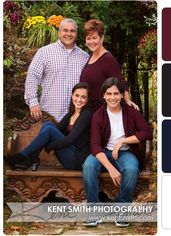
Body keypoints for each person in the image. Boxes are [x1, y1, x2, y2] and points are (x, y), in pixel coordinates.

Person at [82, 77, 152, 227]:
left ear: (122, 95)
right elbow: (95, 145)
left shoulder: (131, 112)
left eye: (116, 94)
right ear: (104, 96)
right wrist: (111, 168)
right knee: (88, 166)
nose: (112, 97)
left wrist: (122, 141)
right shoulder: (98, 115)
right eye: (109, 94)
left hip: (125, 153)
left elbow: (146, 132)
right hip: (103, 152)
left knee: (131, 169)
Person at [5, 82, 92, 171]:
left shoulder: (86, 115)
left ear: (87, 99)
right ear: (72, 95)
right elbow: (55, 131)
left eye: (83, 97)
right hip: (69, 155)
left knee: (49, 129)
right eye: (77, 95)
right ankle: (32, 158)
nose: (79, 99)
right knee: (48, 125)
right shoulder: (70, 115)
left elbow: (70, 139)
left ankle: (21, 157)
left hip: (77, 160)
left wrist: (49, 147)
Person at [24, 18, 89, 122]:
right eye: (65, 30)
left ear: (76, 34)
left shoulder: (84, 57)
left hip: (74, 119)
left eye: (72, 31)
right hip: (49, 116)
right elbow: (32, 76)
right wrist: (33, 103)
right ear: (59, 32)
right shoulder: (44, 52)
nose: (69, 34)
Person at [80, 19, 139, 112]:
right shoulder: (90, 57)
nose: (91, 42)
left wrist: (128, 100)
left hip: (101, 112)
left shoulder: (107, 59)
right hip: (88, 110)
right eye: (88, 38)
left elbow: (121, 82)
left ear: (102, 37)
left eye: (94, 38)